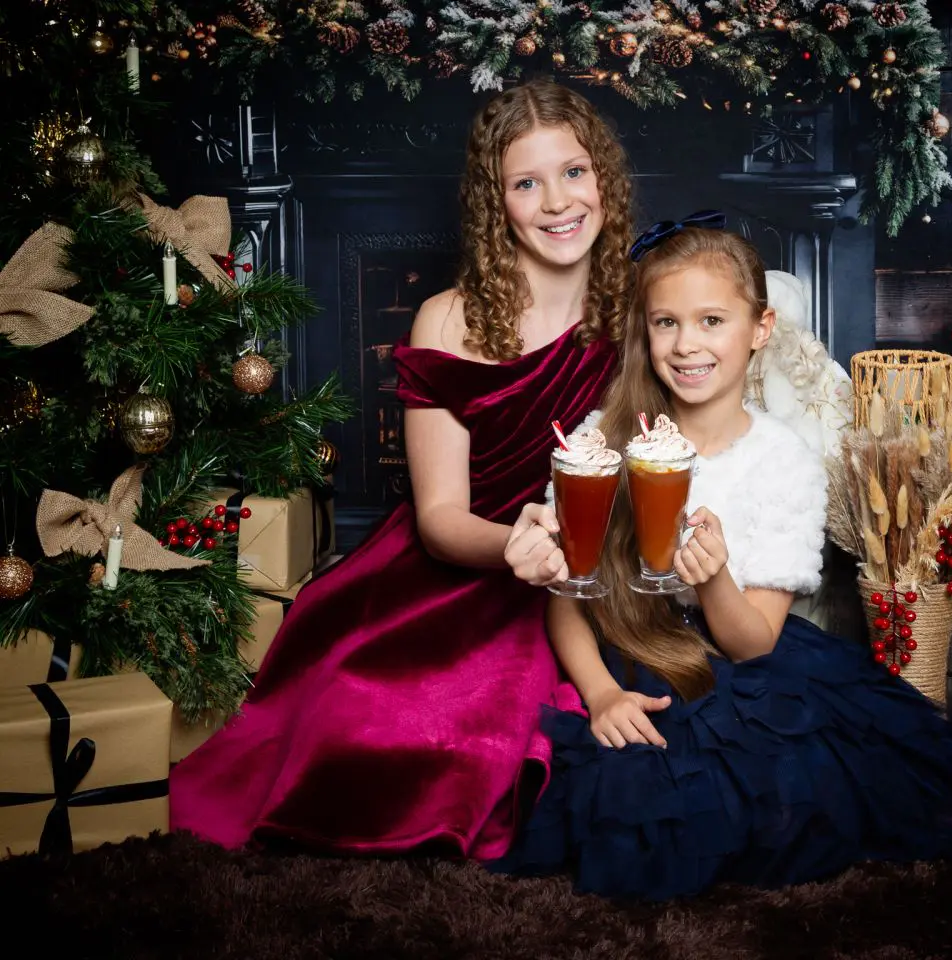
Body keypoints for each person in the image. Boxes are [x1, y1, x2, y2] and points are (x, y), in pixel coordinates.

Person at [490, 220, 952, 900]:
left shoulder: (782, 460)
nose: (687, 343)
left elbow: (754, 644)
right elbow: (569, 597)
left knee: (797, 786)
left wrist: (714, 580)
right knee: (627, 793)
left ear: (759, 329)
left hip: (737, 658)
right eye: (667, 322)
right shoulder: (599, 441)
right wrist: (601, 693)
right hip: (626, 652)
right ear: (645, 330)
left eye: (711, 320)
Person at [169, 78, 635, 859]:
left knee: (540, 732)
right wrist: (515, 546)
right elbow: (441, 518)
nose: (557, 201)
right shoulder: (446, 318)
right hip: (458, 568)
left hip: (581, 574)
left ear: (604, 180)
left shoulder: (636, 310)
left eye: (574, 172)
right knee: (373, 722)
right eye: (526, 183)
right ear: (495, 203)